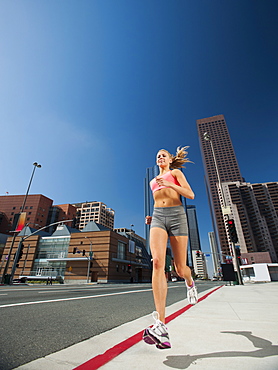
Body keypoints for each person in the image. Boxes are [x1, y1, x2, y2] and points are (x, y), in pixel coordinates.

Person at [143, 146, 198, 350]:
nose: (160, 157)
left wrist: (169, 184)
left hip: (177, 216)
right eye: (157, 155)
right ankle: (161, 325)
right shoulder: (152, 182)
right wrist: (151, 218)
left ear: (169, 159)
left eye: (163, 155)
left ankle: (190, 282)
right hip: (158, 217)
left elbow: (190, 194)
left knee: (180, 269)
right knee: (157, 263)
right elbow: (159, 200)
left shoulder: (175, 173)